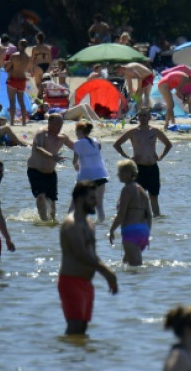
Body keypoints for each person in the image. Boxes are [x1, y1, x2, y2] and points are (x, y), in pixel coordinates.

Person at [58, 180, 119, 335]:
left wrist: (107, 275)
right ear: (79, 200)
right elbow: (81, 254)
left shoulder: (89, 223)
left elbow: (92, 254)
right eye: (92, 198)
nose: (96, 202)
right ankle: (67, 357)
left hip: (86, 282)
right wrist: (107, 272)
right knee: (75, 327)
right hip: (71, 281)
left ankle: (79, 358)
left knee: (82, 329)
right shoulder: (71, 224)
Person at [113, 109, 172, 217]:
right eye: (140, 115)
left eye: (145, 115)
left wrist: (161, 156)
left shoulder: (154, 131)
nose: (143, 118)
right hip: (139, 168)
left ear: (149, 117)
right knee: (137, 196)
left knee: (154, 196)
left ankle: (157, 218)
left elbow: (168, 144)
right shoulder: (133, 132)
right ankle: (128, 215)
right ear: (138, 117)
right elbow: (117, 144)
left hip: (153, 168)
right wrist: (128, 157)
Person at [27, 113, 75, 222]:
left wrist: (91, 146)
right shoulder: (42, 133)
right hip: (35, 170)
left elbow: (75, 147)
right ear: (49, 123)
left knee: (52, 202)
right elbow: (37, 147)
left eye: (61, 124)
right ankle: (44, 221)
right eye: (56, 124)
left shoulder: (62, 137)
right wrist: (52, 157)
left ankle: (52, 222)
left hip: (50, 173)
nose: (59, 127)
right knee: (40, 196)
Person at [109, 160, 152, 266]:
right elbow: (149, 215)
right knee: (126, 263)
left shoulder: (127, 189)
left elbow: (121, 214)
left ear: (127, 173)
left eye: (120, 172)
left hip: (131, 232)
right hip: (143, 232)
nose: (118, 175)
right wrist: (147, 233)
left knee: (135, 269)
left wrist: (112, 230)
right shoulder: (141, 190)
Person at [71, 121, 110, 222]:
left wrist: (76, 165)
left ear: (80, 132)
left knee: (75, 202)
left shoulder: (78, 143)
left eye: (76, 132)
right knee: (99, 205)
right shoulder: (95, 141)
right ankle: (101, 224)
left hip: (86, 177)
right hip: (101, 175)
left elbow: (74, 161)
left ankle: (69, 223)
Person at [4, 39, 31, 126]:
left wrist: (6, 64)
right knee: (22, 102)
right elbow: (27, 69)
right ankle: (23, 122)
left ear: (19, 45)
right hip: (22, 80)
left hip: (13, 79)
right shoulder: (27, 58)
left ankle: (12, 122)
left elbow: (8, 68)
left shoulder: (14, 56)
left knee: (12, 102)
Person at [31, 32, 52, 99]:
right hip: (47, 66)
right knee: (45, 84)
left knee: (38, 84)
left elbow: (32, 60)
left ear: (37, 39)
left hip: (38, 66)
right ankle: (43, 95)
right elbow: (50, 60)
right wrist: (49, 68)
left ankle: (40, 95)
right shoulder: (48, 48)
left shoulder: (35, 48)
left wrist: (31, 70)